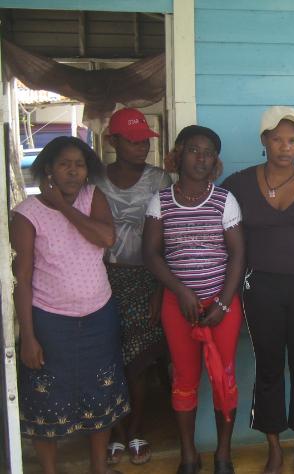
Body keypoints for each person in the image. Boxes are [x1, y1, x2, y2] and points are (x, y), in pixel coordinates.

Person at [222, 106, 294, 474]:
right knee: (268, 368)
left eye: (292, 140)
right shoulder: (238, 185)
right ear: (264, 140)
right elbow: (219, 229)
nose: (285, 147)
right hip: (260, 288)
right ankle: (273, 447)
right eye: (277, 139)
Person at [11, 136, 128, 474]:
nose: (73, 171)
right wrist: (28, 336)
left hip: (98, 315)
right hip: (50, 320)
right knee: (46, 397)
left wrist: (63, 207)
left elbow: (106, 238)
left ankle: (98, 467)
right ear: (49, 168)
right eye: (64, 164)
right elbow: (22, 277)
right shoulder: (27, 213)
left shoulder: (93, 197)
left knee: (100, 391)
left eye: (79, 165)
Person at [143, 125, 244, 474]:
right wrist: (181, 291)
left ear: (216, 161)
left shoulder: (224, 200)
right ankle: (189, 455)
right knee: (184, 379)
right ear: (178, 155)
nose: (201, 159)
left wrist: (223, 303)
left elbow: (238, 255)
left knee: (223, 378)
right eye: (193, 150)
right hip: (178, 307)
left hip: (221, 305)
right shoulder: (161, 202)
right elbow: (151, 254)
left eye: (209, 153)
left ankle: (223, 455)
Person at [95, 108, 171, 466]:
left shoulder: (159, 180)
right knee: (108, 358)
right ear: (114, 141)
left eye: (145, 141)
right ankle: (115, 431)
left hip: (146, 277)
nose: (142, 147)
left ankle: (136, 430)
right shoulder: (95, 179)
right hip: (103, 277)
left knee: (138, 361)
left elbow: (168, 237)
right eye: (134, 141)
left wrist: (160, 288)